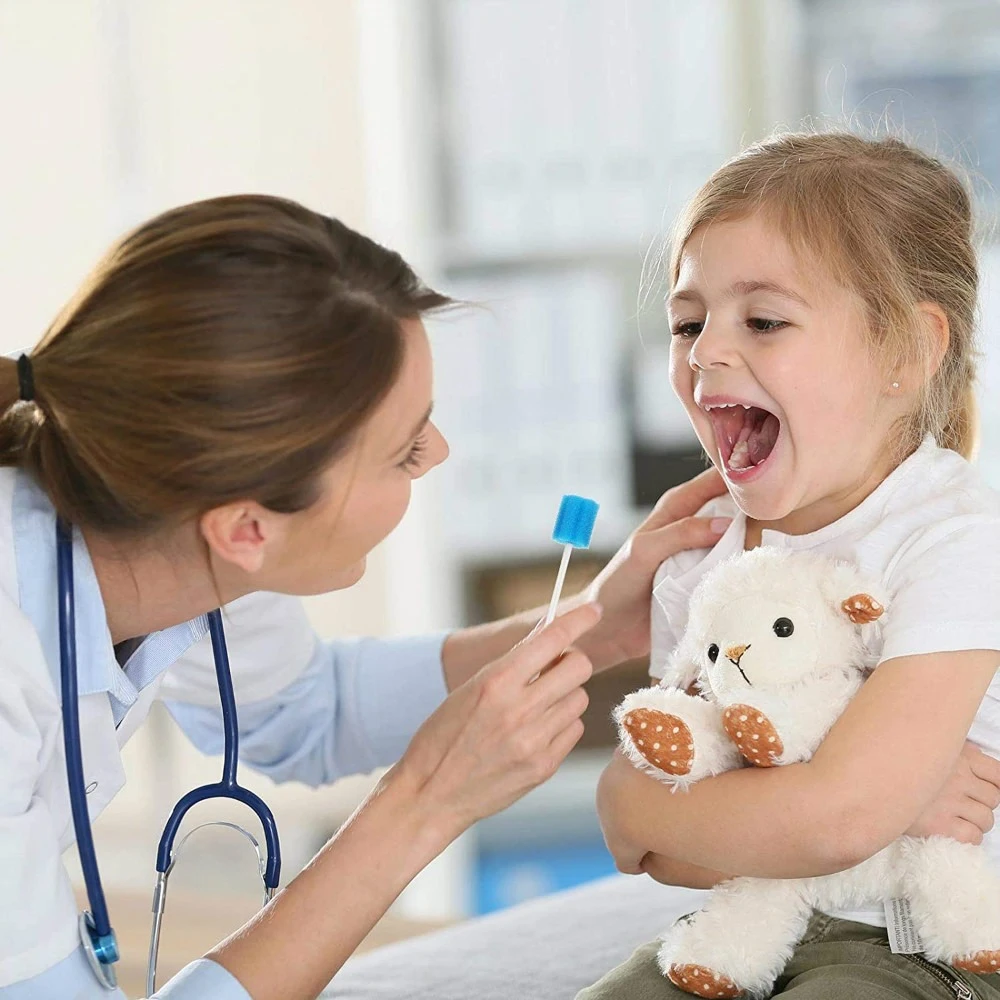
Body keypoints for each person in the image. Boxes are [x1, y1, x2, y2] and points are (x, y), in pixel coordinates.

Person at [0, 194, 736, 1000]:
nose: (440, 453)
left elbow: (300, 710)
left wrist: (590, 630)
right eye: (403, 448)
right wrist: (426, 801)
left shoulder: (169, 509)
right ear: (246, 529)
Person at [580, 131, 1000, 999]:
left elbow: (837, 814)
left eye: (762, 320)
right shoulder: (708, 555)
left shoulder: (957, 545)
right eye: (688, 323)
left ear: (906, 352)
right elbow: (655, 849)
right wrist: (641, 810)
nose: (704, 354)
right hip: (750, 927)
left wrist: (655, 806)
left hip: (936, 946)